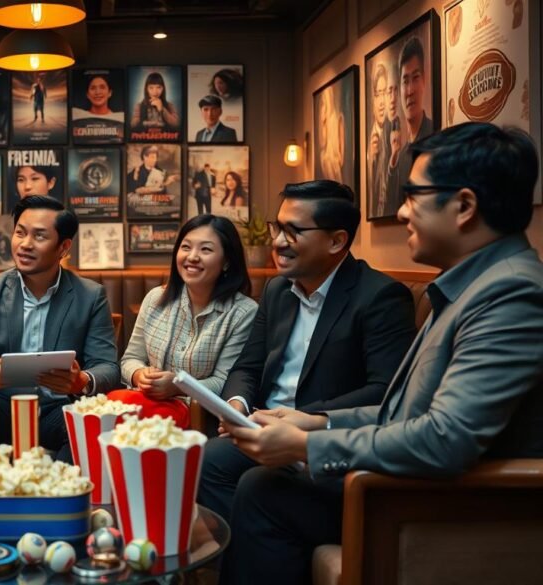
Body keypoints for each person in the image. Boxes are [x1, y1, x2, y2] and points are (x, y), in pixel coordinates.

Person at [218, 122, 543, 585]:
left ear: (465, 206)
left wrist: (309, 446)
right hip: (407, 490)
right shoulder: (471, 282)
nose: (401, 211)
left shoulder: (509, 294)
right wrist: (318, 422)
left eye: (413, 195)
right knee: (259, 487)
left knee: (264, 491)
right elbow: (404, 411)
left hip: (443, 509)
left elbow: (445, 439)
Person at [198, 179, 417, 522]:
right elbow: (247, 366)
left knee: (259, 486)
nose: (277, 241)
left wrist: (307, 420)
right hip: (265, 430)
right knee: (209, 459)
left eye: (293, 231)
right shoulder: (277, 290)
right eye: (277, 227)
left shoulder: (380, 297)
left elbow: (385, 391)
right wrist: (236, 405)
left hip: (324, 442)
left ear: (336, 240)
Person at [0, 195, 120, 461]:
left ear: (63, 246)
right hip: (1, 406)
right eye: (20, 233)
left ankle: (57, 492)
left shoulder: (90, 296)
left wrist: (81, 380)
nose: (25, 244)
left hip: (58, 409)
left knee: (92, 424)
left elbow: (108, 367)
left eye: (39, 236)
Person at [109, 215, 258, 428]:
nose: (193, 257)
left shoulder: (243, 312)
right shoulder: (155, 299)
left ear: (226, 262)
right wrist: (139, 374)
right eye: (186, 247)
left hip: (201, 420)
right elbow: (130, 359)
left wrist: (178, 386)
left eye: (206, 250)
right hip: (144, 408)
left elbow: (225, 383)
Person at [386, 36, 433, 216]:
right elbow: (393, 207)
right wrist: (393, 158)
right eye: (405, 81)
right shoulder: (403, 153)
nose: (410, 90)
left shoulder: (434, 141)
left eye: (415, 78)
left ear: (424, 81)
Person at [368, 63, 393, 217]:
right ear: (372, 100)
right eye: (378, 94)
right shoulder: (370, 141)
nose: (382, 102)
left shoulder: (394, 134)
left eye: (385, 93)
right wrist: (371, 158)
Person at [317, 85, 345, 183]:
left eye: (324, 104)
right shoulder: (324, 156)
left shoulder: (336, 121)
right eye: (321, 105)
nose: (322, 110)